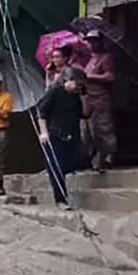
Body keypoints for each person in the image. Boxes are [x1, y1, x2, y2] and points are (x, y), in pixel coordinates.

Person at [38, 67, 90, 210]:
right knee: (56, 168)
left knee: (79, 162)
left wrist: (84, 96)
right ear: (68, 80)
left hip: (72, 135)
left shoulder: (75, 97)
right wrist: (44, 133)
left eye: (81, 85)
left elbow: (84, 114)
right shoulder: (55, 92)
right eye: (78, 84)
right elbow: (41, 112)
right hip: (55, 134)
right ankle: (60, 199)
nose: (79, 88)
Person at [83, 30, 117, 172]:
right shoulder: (90, 59)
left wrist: (91, 77)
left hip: (100, 98)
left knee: (103, 128)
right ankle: (92, 159)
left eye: (94, 41)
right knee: (89, 131)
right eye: (89, 41)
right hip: (88, 99)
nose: (91, 44)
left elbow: (110, 77)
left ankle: (109, 155)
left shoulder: (106, 58)